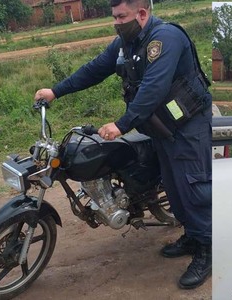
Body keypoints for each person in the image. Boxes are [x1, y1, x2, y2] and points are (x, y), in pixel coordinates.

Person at [34, 0, 212, 289]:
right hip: (160, 124)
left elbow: (153, 88)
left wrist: (121, 124)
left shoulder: (165, 38)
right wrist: (56, 91)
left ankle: (207, 249)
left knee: (191, 186)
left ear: (141, 14)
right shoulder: (126, 42)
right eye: (113, 17)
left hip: (187, 125)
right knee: (171, 183)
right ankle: (192, 236)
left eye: (121, 16)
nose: (115, 22)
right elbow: (94, 69)